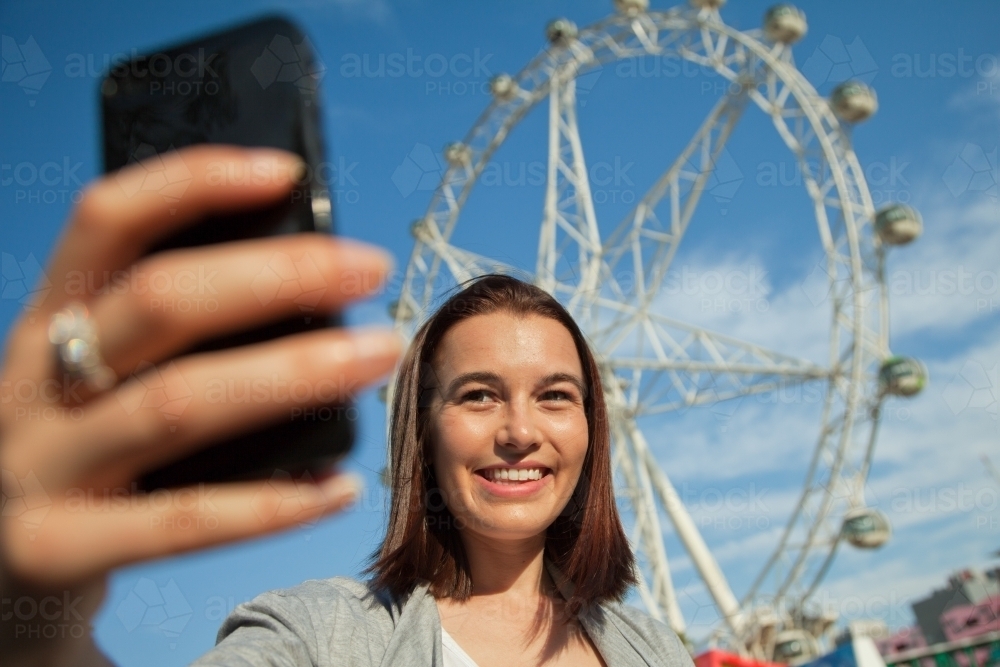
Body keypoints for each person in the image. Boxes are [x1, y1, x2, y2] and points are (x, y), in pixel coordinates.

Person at [1, 146, 692, 666]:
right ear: (420, 432)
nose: (519, 430)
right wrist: (34, 625)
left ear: (591, 430)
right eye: (478, 394)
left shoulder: (654, 648)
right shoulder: (318, 635)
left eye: (555, 396)